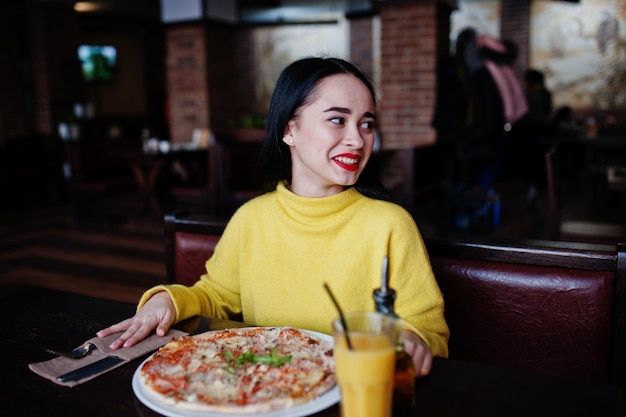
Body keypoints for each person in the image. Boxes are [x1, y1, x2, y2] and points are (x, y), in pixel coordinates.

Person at [97, 57, 449, 376]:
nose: (357, 140)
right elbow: (215, 294)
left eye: (367, 124)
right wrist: (168, 300)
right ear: (289, 130)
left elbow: (427, 328)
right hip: (263, 387)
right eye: (338, 120)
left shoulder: (390, 224)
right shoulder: (251, 218)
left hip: (353, 392)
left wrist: (412, 340)